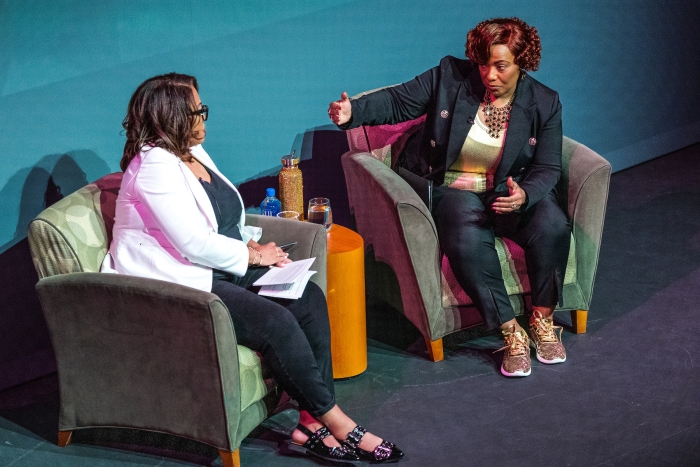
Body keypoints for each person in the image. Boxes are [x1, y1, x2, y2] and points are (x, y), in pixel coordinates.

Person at [102, 73, 403, 464]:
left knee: (307, 297)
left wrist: (253, 244)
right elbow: (193, 242)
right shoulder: (154, 166)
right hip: (185, 281)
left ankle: (310, 424)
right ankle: (339, 423)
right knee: (276, 322)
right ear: (172, 117)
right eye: (197, 111)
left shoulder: (191, 153)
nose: (204, 118)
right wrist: (255, 257)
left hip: (221, 264)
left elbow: (222, 220)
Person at [328, 17, 569, 378]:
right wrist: (353, 114)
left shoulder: (544, 103)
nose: (490, 74)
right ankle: (509, 329)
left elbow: (548, 167)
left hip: (507, 191)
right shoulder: (449, 77)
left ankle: (541, 320)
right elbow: (398, 101)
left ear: (523, 63)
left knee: (552, 223)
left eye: (501, 66)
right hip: (449, 187)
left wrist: (525, 196)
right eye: (484, 63)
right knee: (464, 222)